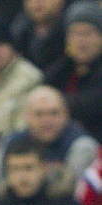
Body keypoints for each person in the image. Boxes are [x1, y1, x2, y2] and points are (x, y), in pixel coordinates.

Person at [0, 85, 99, 205]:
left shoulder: (82, 145)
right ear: (26, 117)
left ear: (66, 114)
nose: (47, 120)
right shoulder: (11, 141)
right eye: (39, 114)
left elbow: (77, 196)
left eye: (54, 113)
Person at [45, 1, 102, 143]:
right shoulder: (60, 69)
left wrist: (54, 105)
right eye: (75, 33)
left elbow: (92, 104)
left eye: (88, 33)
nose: (81, 41)